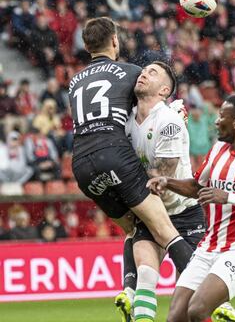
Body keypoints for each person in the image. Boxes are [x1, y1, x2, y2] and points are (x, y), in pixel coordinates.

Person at [69, 17, 194, 319]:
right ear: (115, 41)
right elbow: (149, 102)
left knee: (133, 229)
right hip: (113, 154)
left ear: (86, 46)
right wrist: (176, 108)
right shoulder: (130, 72)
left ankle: (129, 291)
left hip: (82, 165)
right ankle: (207, 290)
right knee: (165, 230)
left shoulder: (74, 82)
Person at [147, 94, 235, 322]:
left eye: (221, 115)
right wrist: (167, 181)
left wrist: (231, 198)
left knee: (198, 310)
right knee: (176, 317)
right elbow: (196, 187)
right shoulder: (218, 150)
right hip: (208, 248)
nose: (215, 121)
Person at [116, 61, 206, 322]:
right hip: (151, 210)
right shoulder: (127, 121)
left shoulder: (169, 121)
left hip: (184, 211)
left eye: (152, 72)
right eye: (143, 70)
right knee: (146, 274)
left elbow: (161, 181)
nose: (143, 73)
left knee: (189, 297)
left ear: (165, 90)